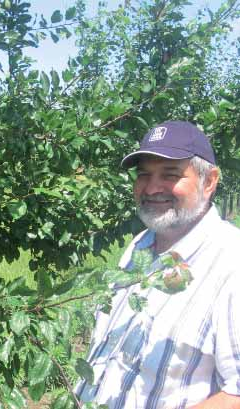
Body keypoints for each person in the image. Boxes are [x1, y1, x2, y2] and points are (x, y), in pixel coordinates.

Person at [76, 121, 240, 409]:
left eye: (170, 174)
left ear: (209, 181)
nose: (152, 188)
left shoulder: (230, 264)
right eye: (144, 175)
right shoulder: (140, 244)